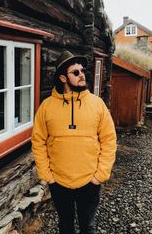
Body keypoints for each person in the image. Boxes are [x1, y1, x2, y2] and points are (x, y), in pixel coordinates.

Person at [32, 50, 117, 234]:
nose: (82, 75)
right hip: (59, 182)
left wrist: (100, 175)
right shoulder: (47, 107)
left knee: (88, 227)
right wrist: (48, 176)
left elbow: (109, 140)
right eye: (75, 72)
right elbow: (38, 142)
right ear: (63, 78)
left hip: (89, 181)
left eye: (82, 71)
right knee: (65, 227)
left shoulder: (97, 104)